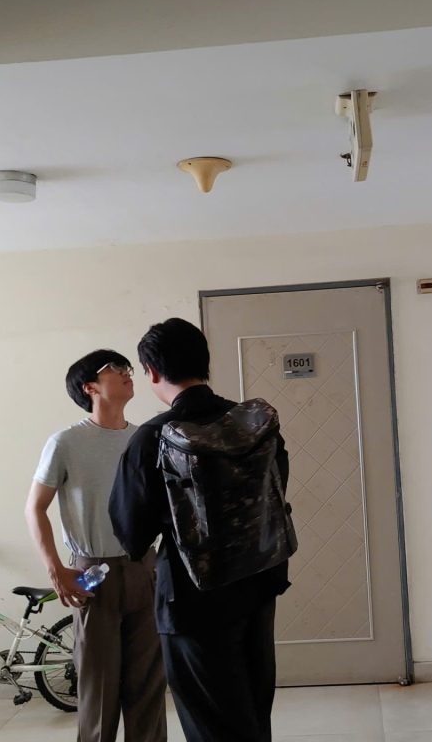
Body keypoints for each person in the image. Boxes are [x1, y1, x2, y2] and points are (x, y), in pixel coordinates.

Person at [109, 318, 291, 742]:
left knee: (211, 723)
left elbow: (130, 533)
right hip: (259, 582)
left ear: (152, 371)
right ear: (204, 362)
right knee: (252, 712)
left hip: (192, 600)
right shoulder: (252, 424)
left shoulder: (152, 438)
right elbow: (278, 485)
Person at [25, 349, 167, 742]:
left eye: (128, 367)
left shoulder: (145, 439)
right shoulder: (66, 442)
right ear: (89, 387)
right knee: (98, 688)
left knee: (149, 688)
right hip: (92, 573)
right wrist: (56, 569)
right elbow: (34, 508)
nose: (127, 373)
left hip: (145, 568)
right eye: (115, 369)